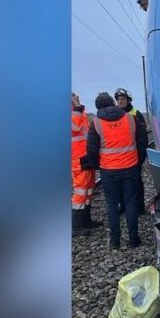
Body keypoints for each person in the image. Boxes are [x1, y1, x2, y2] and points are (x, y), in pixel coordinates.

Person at [82, 92, 145, 250]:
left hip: (109, 171)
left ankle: (115, 241)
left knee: (111, 205)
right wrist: (137, 162)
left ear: (97, 107)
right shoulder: (131, 119)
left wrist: (99, 166)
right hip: (130, 167)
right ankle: (134, 238)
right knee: (131, 202)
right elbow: (142, 143)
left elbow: (91, 150)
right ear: (112, 102)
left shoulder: (96, 123)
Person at [113, 87, 148, 215]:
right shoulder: (114, 114)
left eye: (123, 99)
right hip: (120, 156)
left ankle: (140, 207)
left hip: (135, 155)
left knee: (136, 181)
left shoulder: (136, 113)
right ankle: (123, 206)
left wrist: (141, 154)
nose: (120, 101)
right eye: (118, 99)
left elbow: (143, 136)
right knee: (120, 183)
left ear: (128, 100)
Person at [71, 93, 98, 233]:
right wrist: (76, 108)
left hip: (86, 156)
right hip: (77, 158)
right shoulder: (72, 114)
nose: (77, 98)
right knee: (80, 191)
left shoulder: (80, 113)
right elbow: (74, 128)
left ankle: (86, 221)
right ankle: (76, 225)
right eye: (74, 97)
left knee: (88, 189)